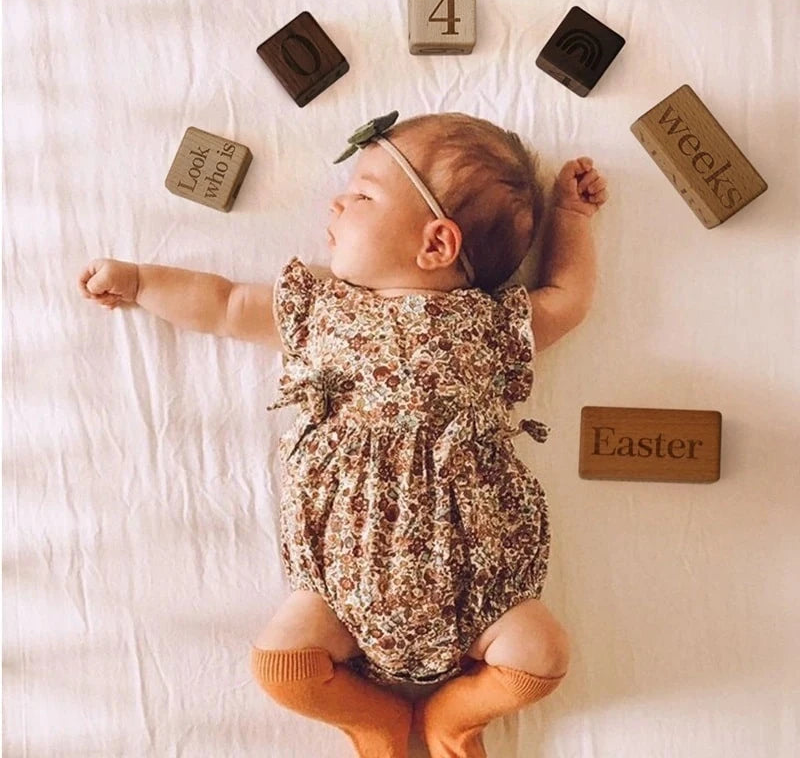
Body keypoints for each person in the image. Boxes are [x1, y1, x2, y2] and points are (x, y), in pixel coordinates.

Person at [78, 111, 607, 758]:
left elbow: (567, 299)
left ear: (436, 244)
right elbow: (222, 306)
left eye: (362, 194)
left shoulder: (495, 327)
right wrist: (139, 283)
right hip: (339, 590)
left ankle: (455, 718)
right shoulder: (323, 310)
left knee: (542, 653)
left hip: (485, 588)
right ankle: (373, 722)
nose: (337, 199)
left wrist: (571, 221)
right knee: (282, 663)